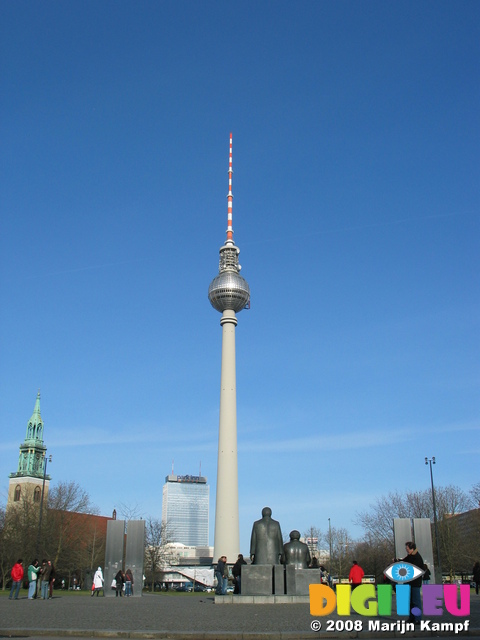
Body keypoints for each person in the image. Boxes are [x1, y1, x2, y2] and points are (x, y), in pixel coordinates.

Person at [402, 541, 424, 624]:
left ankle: (417, 618)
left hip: (415, 582)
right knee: (411, 601)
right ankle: (412, 618)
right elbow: (404, 561)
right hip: (410, 582)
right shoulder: (411, 556)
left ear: (412, 548)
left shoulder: (416, 557)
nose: (406, 550)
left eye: (407, 548)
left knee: (415, 601)